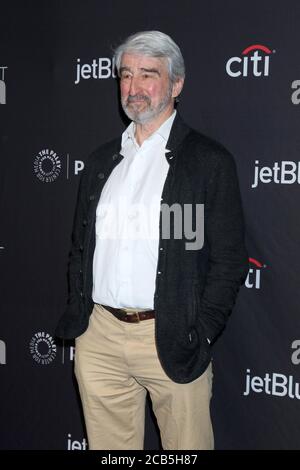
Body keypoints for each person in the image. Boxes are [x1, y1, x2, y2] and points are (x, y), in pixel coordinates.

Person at [55, 30, 248, 450]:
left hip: (172, 337)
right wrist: (83, 318)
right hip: (100, 336)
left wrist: (201, 332)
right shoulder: (103, 161)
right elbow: (80, 246)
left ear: (176, 85)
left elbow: (229, 260)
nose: (134, 87)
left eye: (148, 75)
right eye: (125, 75)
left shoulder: (208, 162)